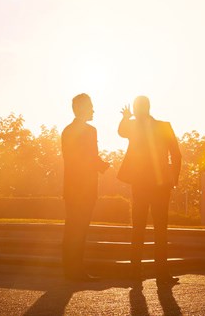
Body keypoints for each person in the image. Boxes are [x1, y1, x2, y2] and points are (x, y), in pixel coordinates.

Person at [117, 96, 182, 283]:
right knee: (159, 230)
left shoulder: (136, 126)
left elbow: (121, 131)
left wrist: (126, 117)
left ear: (140, 109)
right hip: (159, 185)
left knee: (139, 228)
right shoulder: (162, 126)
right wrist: (174, 179)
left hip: (144, 184)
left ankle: (136, 273)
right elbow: (176, 155)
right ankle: (160, 274)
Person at [61, 93, 110, 281]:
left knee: (72, 227)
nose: (93, 110)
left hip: (71, 186)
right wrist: (103, 166)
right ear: (82, 109)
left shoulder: (67, 130)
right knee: (80, 229)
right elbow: (89, 157)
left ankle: (70, 270)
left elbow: (73, 158)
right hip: (85, 186)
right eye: (90, 106)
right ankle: (77, 271)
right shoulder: (90, 131)